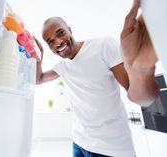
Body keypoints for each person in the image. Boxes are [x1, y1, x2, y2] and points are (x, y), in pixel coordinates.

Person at [35, 0, 159, 156]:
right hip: (79, 142)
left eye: (60, 33)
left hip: (111, 149)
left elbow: (141, 98)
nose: (58, 42)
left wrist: (141, 70)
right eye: (50, 41)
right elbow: (38, 79)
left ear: (70, 30)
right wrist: (38, 57)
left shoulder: (103, 46)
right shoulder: (62, 66)